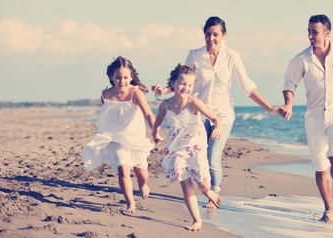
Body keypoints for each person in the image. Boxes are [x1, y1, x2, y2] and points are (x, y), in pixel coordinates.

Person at [153, 16, 280, 208]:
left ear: (223, 35)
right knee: (198, 156)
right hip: (197, 113)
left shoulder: (232, 57)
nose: (211, 38)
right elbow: (182, 80)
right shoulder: (195, 55)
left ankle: (215, 190)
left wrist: (268, 108)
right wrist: (164, 90)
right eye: (207, 34)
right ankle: (203, 188)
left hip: (222, 114)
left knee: (213, 156)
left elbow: (247, 87)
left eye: (215, 34)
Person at [280, 14, 333, 223]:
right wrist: (288, 103)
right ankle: (328, 210)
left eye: (314, 32)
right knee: (320, 165)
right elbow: (290, 84)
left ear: (327, 33)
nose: (310, 36)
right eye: (308, 31)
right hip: (314, 117)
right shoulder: (301, 59)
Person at [152, 64, 223, 231]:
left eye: (190, 85)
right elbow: (158, 122)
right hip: (176, 147)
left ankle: (210, 193)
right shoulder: (165, 105)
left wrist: (218, 127)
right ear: (173, 83)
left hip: (195, 146)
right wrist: (155, 133)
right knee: (185, 185)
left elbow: (215, 118)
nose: (186, 88)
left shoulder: (194, 103)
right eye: (183, 83)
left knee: (203, 186)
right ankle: (197, 220)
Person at [83, 56, 156, 214]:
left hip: (134, 138)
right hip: (115, 138)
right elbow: (108, 115)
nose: (121, 81)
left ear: (131, 77)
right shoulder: (105, 95)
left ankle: (143, 185)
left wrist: (155, 130)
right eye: (118, 77)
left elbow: (149, 114)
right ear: (111, 77)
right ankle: (130, 203)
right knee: (123, 169)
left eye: (125, 77)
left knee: (140, 171)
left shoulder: (136, 94)